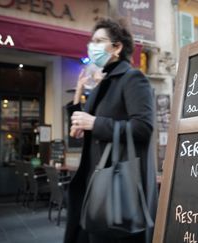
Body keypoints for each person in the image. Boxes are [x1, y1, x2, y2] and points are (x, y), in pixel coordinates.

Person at [64, 18, 158, 243]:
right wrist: (80, 108)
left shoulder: (132, 78)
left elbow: (143, 128)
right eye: (91, 41)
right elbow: (87, 123)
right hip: (93, 183)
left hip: (115, 187)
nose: (92, 46)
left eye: (99, 41)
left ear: (117, 47)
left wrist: (94, 124)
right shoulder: (104, 83)